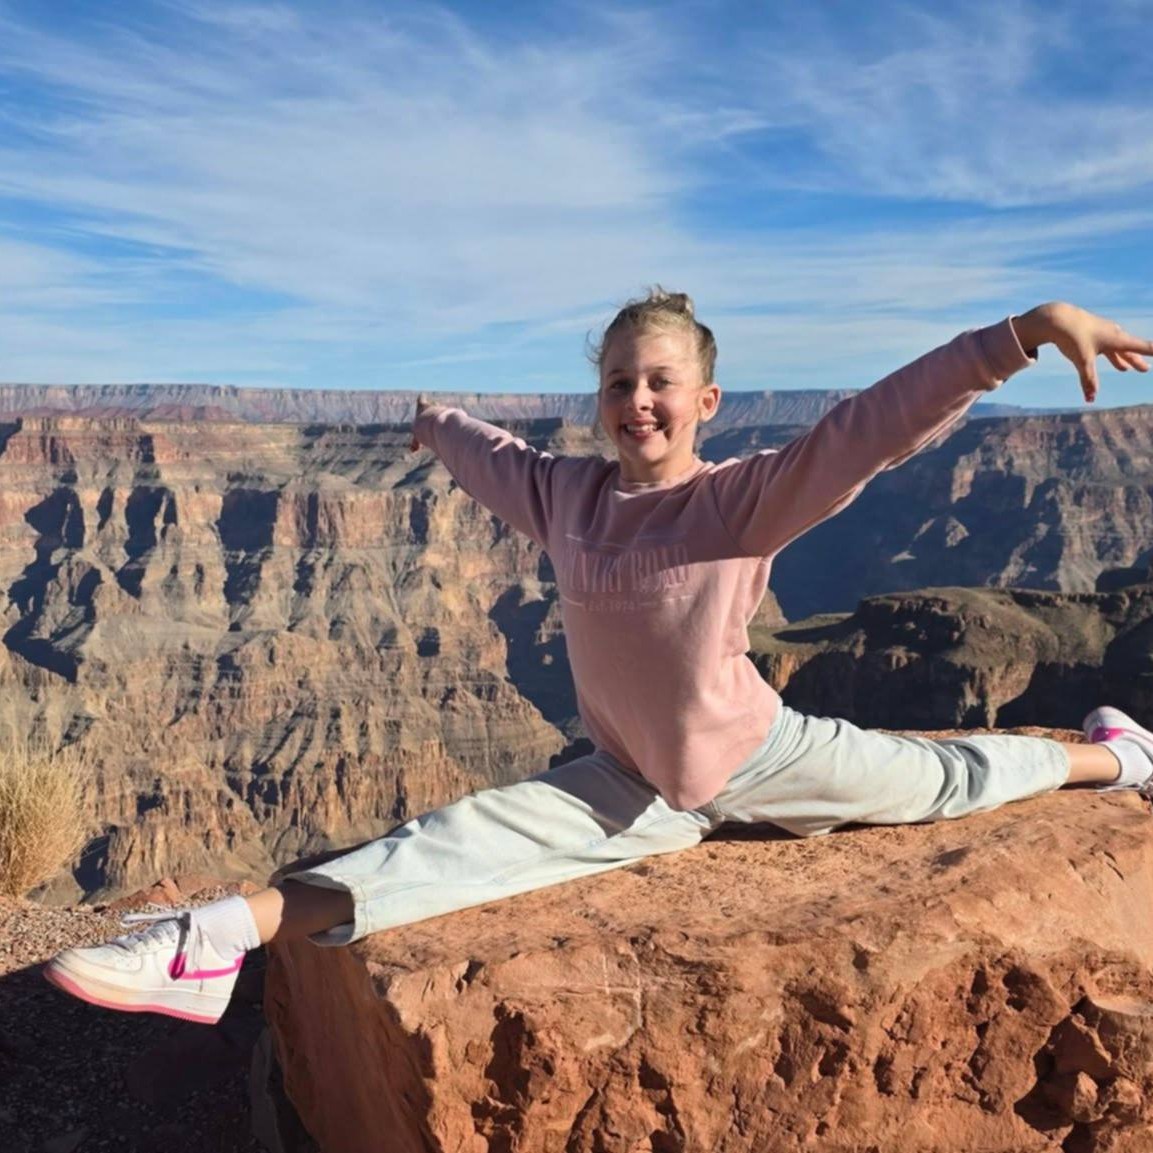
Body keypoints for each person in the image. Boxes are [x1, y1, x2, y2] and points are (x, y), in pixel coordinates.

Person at [45, 291, 1153, 1026]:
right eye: (620, 382)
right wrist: (432, 422)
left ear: (705, 402)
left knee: (947, 781)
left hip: (761, 759)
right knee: (445, 842)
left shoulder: (744, 498)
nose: (638, 400)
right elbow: (494, 458)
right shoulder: (568, 498)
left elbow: (871, 428)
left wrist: (1023, 331)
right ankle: (214, 937)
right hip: (622, 779)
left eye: (661, 381)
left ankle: (1116, 757)